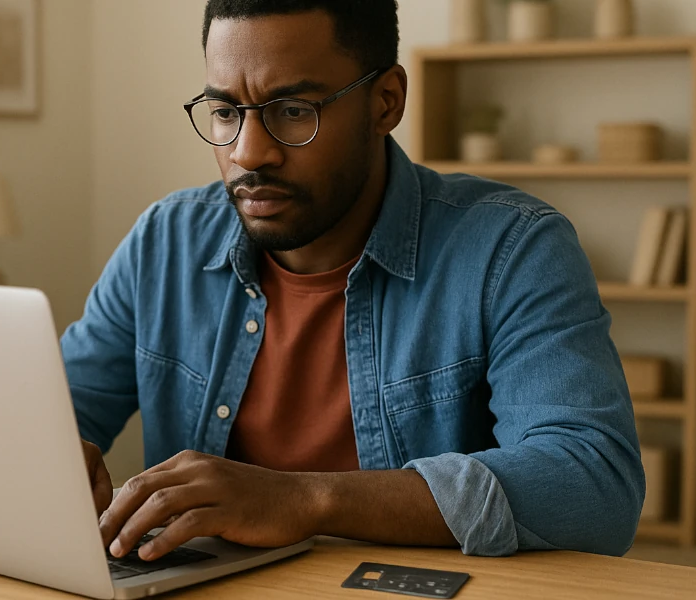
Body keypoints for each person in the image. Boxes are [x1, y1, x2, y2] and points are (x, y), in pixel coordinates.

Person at [61, 0, 645, 562]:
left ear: (385, 102)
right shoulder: (164, 243)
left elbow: (592, 484)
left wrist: (305, 500)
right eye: (225, 112)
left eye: (293, 110)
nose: (248, 152)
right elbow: (57, 411)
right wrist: (48, 453)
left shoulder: (512, 248)